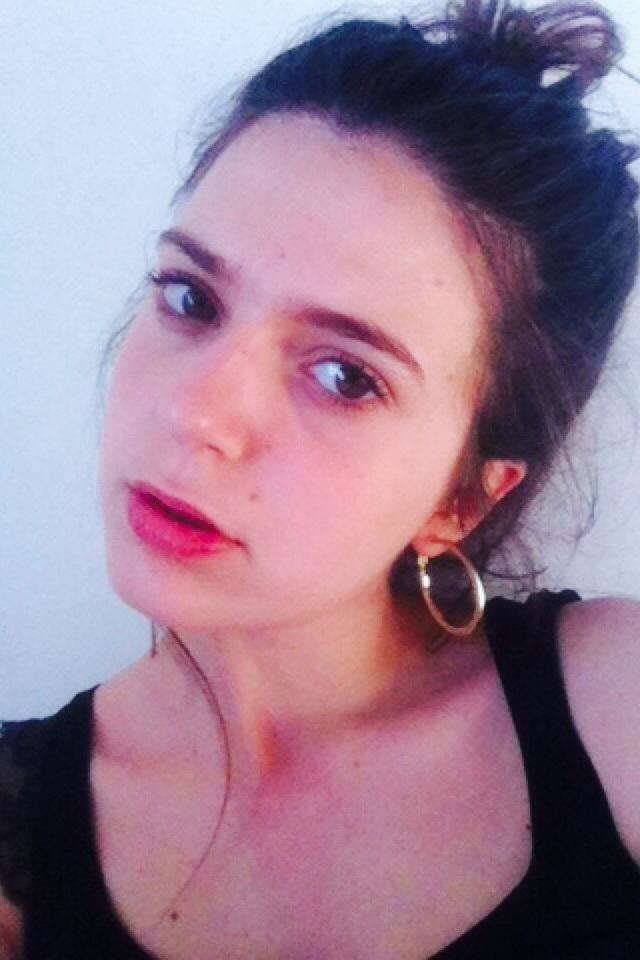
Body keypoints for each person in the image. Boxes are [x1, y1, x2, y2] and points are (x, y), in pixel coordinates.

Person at [1, 0, 639, 956]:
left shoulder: (614, 705)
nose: (196, 415)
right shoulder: (18, 829)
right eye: (191, 297)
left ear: (463, 498)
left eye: (345, 376)